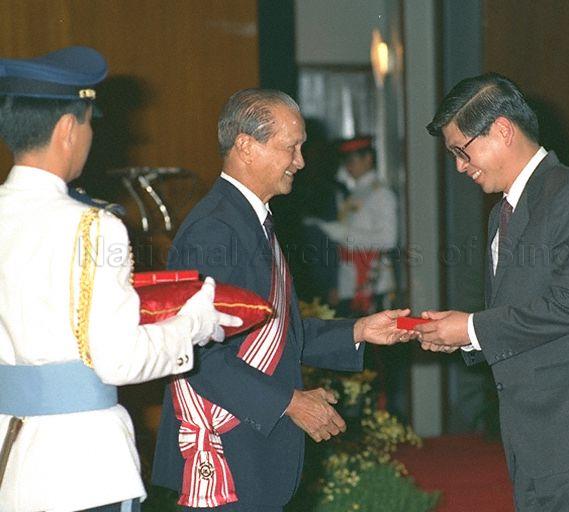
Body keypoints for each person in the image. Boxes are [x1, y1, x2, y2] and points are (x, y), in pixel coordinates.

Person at [0, 46, 241, 512]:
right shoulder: (93, 227)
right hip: (80, 469)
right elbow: (120, 361)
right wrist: (193, 323)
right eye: (90, 123)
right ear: (69, 128)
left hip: (10, 461)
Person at [151, 88, 415, 512]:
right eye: (290, 148)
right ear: (245, 147)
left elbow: (277, 333)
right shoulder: (215, 230)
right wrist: (290, 402)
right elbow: (196, 356)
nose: (301, 161)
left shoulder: (253, 219)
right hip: (224, 457)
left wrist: (359, 329)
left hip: (252, 455)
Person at [415, 72, 569, 511]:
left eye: (460, 151)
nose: (459, 167)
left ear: (502, 131)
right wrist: (459, 336)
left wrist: (470, 328)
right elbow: (520, 314)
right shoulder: (506, 211)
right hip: (541, 441)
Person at [306, 135, 398, 317]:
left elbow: (388, 240)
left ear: (368, 159)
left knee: (375, 341)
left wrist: (342, 233)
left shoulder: (381, 194)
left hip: (372, 281)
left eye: (352, 160)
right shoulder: (355, 193)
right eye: (345, 161)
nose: (348, 167)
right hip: (350, 280)